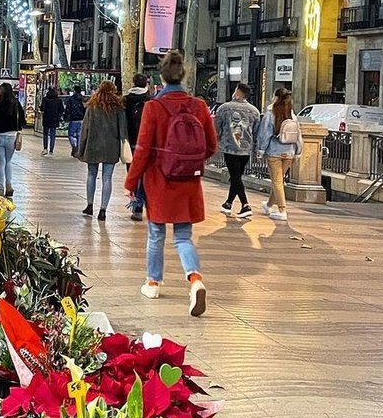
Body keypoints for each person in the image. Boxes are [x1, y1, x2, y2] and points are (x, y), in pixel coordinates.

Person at [125, 50, 216, 316]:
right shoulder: (198, 106)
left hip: (159, 181)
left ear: (161, 79)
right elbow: (211, 145)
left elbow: (141, 150)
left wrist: (131, 181)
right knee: (184, 237)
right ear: (183, 76)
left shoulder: (154, 107)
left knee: (156, 234)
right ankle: (195, 279)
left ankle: (153, 282)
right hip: (188, 182)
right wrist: (188, 161)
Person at [77, 80, 129, 222]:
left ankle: (89, 205)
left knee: (91, 174)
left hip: (93, 145)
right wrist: (124, 143)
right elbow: (123, 129)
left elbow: (85, 128)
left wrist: (81, 147)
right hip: (111, 146)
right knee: (107, 177)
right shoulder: (117, 107)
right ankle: (103, 210)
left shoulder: (92, 106)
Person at [214, 82, 261, 219]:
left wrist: (219, 138)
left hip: (229, 146)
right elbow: (256, 131)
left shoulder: (224, 108)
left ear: (238, 93)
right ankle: (228, 203)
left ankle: (245, 205)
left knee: (235, 176)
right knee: (237, 177)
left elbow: (218, 126)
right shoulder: (255, 111)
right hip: (246, 148)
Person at [257, 87, 301, 220]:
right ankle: (269, 205)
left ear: (275, 97)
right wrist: (298, 151)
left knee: (276, 181)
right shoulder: (292, 114)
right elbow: (298, 135)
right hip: (289, 152)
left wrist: (260, 151)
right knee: (279, 180)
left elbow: (264, 134)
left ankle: (282, 210)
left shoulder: (271, 113)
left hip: (274, 152)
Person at [0, 81, 27, 197]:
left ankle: (0, 188)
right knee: (8, 162)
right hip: (12, 136)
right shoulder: (16, 104)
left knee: (1, 163)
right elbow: (23, 120)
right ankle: (9, 185)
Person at [124, 73, 153, 222]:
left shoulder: (126, 100)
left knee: (133, 175)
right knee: (146, 175)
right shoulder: (151, 100)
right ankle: (147, 205)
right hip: (146, 144)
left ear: (133, 83)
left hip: (130, 143)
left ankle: (137, 207)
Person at [41, 87, 64, 155]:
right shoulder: (58, 100)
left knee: (45, 134)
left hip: (46, 118)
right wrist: (58, 116)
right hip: (55, 119)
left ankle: (45, 148)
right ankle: (51, 150)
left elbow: (42, 108)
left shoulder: (45, 99)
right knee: (53, 134)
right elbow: (62, 110)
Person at [65, 88, 86, 157]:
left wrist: (66, 117)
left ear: (74, 91)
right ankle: (79, 150)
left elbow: (68, 109)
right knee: (79, 135)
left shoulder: (71, 99)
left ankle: (74, 145)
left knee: (71, 135)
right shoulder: (83, 99)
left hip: (73, 119)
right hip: (82, 119)